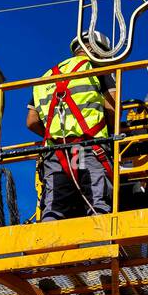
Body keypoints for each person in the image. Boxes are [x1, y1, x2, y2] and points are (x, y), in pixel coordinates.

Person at [26, 33, 116, 221]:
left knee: (54, 206)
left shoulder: (47, 76)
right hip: (89, 148)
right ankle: (99, 242)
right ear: (99, 50)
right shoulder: (97, 69)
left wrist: (55, 135)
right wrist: (112, 135)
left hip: (57, 153)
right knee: (96, 202)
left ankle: (49, 243)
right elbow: (112, 106)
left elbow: (32, 121)